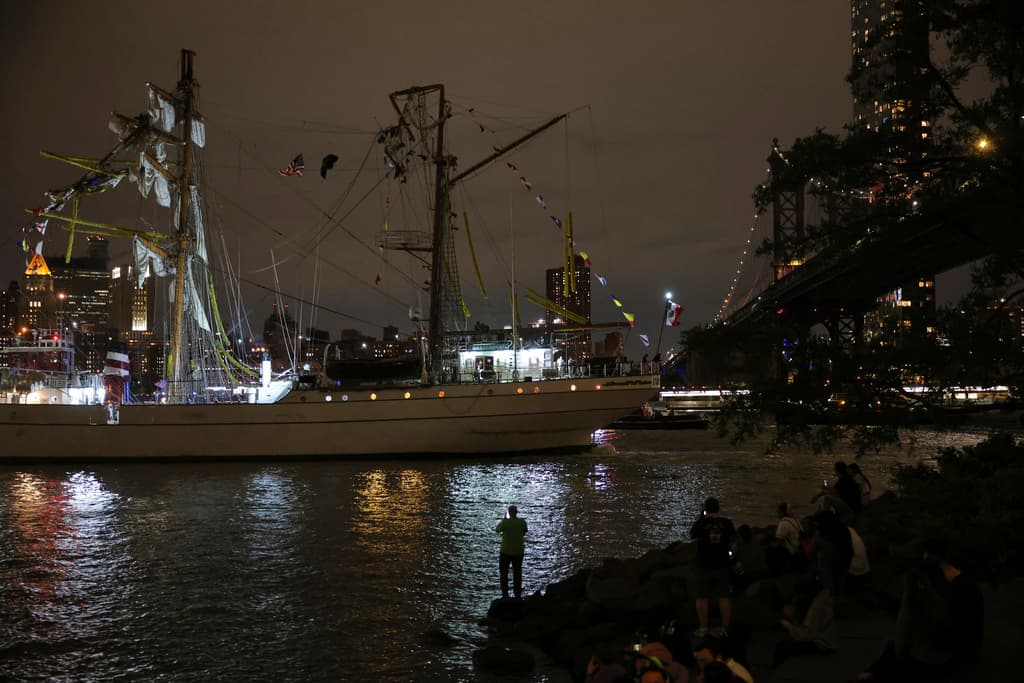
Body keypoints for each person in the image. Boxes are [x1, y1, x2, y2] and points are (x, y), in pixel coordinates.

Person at [922, 538, 984, 673]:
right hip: (966, 649)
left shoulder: (955, 590)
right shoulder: (965, 583)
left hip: (957, 654)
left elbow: (952, 624)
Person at [690, 497, 737, 637]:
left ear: (706, 509)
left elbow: (692, 535)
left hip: (704, 564)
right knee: (723, 596)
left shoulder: (701, 523)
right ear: (718, 508)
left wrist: (701, 518)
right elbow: (734, 544)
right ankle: (725, 628)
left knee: (701, 597)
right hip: (722, 564)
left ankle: (703, 628)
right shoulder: (727, 523)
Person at [772, 577, 837, 668]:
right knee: (784, 644)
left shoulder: (818, 606)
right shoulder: (821, 600)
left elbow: (808, 635)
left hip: (822, 644)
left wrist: (789, 625)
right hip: (824, 639)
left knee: (782, 648)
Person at [495, 504, 527, 598]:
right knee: (517, 574)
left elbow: (497, 530)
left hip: (505, 552)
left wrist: (504, 520)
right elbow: (525, 531)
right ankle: (517, 594)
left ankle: (505, 594)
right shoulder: (522, 522)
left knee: (504, 574)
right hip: (518, 552)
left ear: (509, 513)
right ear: (516, 513)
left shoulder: (505, 523)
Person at [770, 502, 805, 574]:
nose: (777, 514)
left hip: (791, 552)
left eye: (778, 512)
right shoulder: (796, 520)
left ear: (782, 512)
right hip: (800, 549)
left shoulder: (783, 523)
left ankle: (776, 572)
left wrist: (772, 546)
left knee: (771, 551)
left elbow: (779, 541)